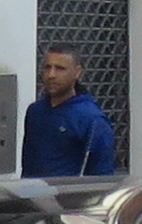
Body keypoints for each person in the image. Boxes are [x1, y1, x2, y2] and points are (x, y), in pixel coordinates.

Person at [17, 43, 122, 179]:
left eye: (60, 69)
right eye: (47, 67)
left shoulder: (92, 119)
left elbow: (102, 176)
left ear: (77, 72)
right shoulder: (35, 111)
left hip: (68, 192)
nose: (51, 75)